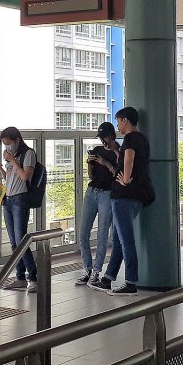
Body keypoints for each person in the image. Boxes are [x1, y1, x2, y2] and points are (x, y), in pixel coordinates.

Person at [92, 107, 150, 295]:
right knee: (118, 239)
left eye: (118, 121)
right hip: (135, 196)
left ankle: (131, 282)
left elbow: (130, 157)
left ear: (125, 120)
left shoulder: (131, 138)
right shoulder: (142, 139)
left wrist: (125, 179)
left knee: (126, 240)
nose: (118, 125)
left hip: (124, 197)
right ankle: (108, 278)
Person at [0, 126, 38, 292]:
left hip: (21, 199)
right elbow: (12, 178)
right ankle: (20, 277)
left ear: (17, 140)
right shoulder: (13, 157)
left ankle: (33, 277)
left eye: (9, 143)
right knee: (13, 242)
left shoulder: (28, 154)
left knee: (21, 240)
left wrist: (12, 160)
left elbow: (26, 176)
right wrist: (2, 169)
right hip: (9, 199)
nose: (7, 147)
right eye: (4, 144)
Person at [76, 122, 120, 286]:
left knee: (102, 235)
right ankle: (87, 268)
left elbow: (119, 174)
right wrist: (90, 163)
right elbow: (91, 177)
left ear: (111, 136)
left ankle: (96, 271)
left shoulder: (119, 152)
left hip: (107, 195)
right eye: (101, 138)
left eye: (105, 137)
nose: (103, 141)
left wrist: (106, 163)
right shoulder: (96, 150)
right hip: (92, 192)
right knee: (83, 233)